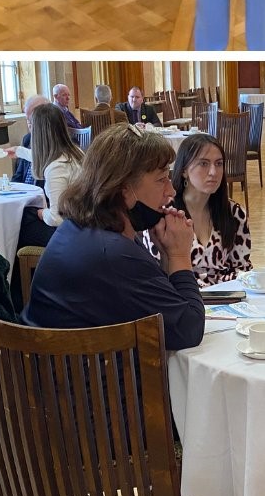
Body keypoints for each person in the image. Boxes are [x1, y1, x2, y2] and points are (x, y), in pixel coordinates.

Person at [23, 125, 204, 350]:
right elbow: (188, 330)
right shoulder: (114, 254)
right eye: (161, 179)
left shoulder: (83, 228)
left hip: (50, 371)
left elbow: (163, 306)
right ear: (125, 190)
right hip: (94, 381)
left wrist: (167, 255)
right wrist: (179, 256)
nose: (171, 191)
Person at [144, 133, 251, 285]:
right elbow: (156, 275)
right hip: (182, 297)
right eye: (204, 164)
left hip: (226, 298)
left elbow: (242, 269)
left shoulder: (234, 213)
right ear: (184, 170)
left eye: (219, 164)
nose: (213, 172)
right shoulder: (164, 214)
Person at [27, 101, 84, 225]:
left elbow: (57, 218)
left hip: (71, 228)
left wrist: (42, 213)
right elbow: (40, 156)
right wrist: (18, 151)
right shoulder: (75, 152)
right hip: (82, 219)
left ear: (38, 134)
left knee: (26, 217)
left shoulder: (56, 168)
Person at [9, 93, 52, 186]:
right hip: (24, 194)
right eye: (27, 120)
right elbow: (18, 176)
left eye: (32, 119)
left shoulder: (59, 143)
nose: (29, 125)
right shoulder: (27, 139)